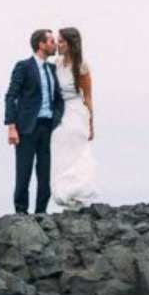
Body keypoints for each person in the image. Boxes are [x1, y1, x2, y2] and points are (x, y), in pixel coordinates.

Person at [4, 29, 64, 214]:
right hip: (27, 127)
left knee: (45, 173)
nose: (54, 44)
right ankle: (21, 213)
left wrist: (56, 119)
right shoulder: (24, 66)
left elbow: (59, 99)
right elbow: (11, 96)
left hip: (48, 127)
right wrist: (11, 127)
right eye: (51, 41)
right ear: (41, 44)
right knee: (24, 172)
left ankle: (41, 213)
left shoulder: (53, 69)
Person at [51, 27, 98, 208]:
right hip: (60, 112)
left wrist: (91, 124)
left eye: (61, 41)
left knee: (79, 153)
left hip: (77, 112)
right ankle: (64, 193)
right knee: (61, 152)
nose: (58, 44)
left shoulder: (82, 66)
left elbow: (88, 97)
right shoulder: (56, 63)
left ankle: (79, 193)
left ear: (71, 44)